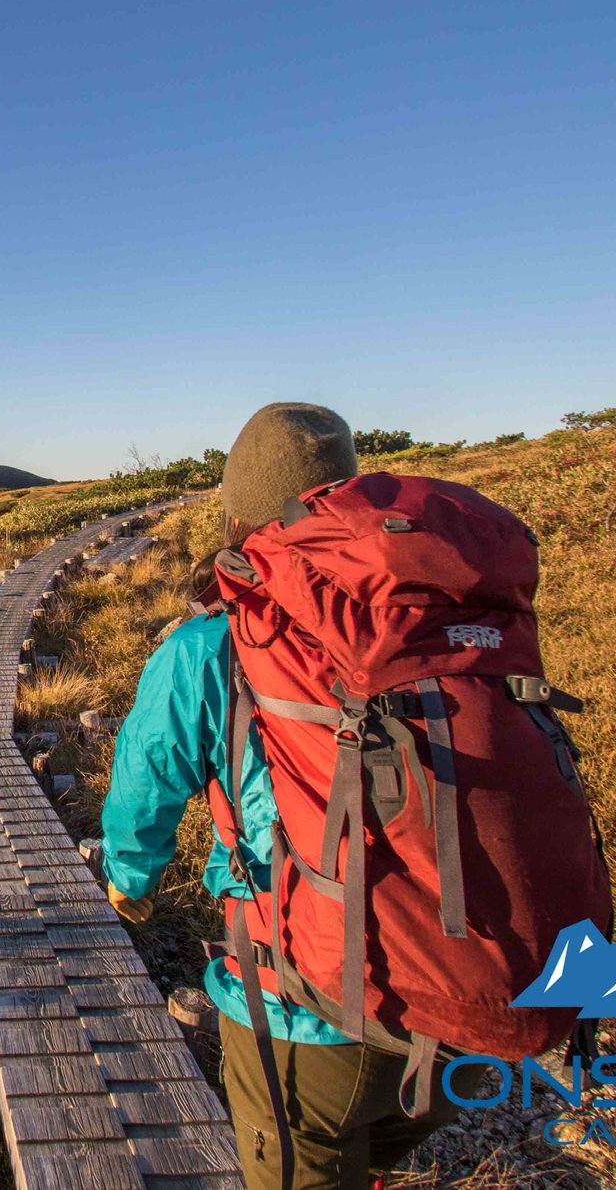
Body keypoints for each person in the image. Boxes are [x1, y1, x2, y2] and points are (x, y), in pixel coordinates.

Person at [99, 403, 494, 1190]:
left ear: (238, 514)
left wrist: (129, 879)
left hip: (306, 1009)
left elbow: (145, 780)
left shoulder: (209, 647)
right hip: (464, 991)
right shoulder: (434, 618)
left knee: (311, 1149)